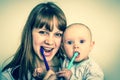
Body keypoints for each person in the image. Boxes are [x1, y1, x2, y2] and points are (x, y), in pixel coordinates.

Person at [0, 2, 67, 80]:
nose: (50, 42)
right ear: (29, 34)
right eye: (42, 32)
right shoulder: (8, 77)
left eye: (58, 34)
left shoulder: (75, 68)